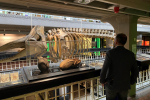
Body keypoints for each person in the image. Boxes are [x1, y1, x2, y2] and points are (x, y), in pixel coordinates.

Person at [100, 33, 139, 100]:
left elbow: (104, 68)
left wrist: (102, 81)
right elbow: (135, 70)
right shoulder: (130, 54)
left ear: (116, 41)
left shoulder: (110, 53)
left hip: (112, 84)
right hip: (125, 85)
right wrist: (131, 81)